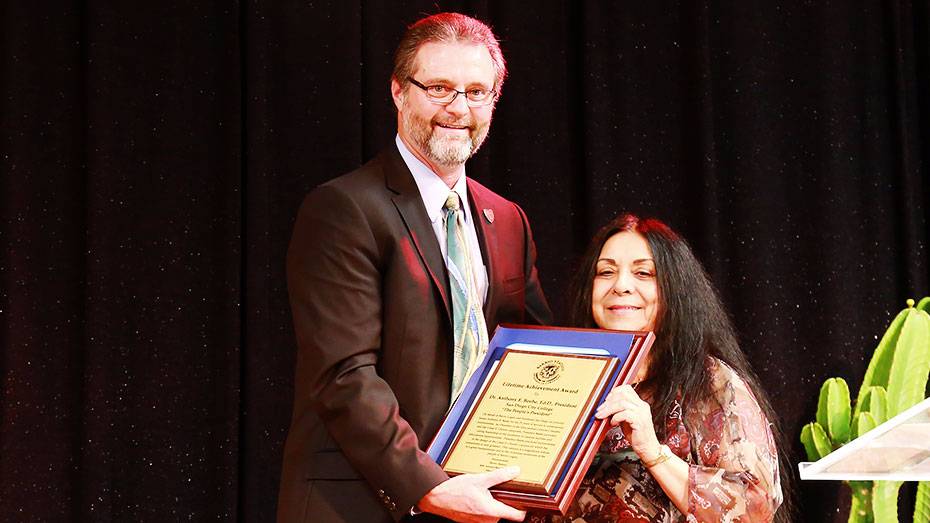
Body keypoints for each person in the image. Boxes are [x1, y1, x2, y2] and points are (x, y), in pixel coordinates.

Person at [277, 12, 552, 523]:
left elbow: (535, 357)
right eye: (440, 88)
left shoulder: (508, 219)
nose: (459, 108)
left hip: (481, 498)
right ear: (399, 91)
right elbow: (343, 375)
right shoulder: (345, 208)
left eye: (476, 92)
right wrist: (428, 487)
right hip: (366, 502)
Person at [528, 214, 788, 523]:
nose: (621, 285)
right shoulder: (560, 375)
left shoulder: (711, 382)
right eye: (606, 271)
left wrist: (652, 451)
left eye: (643, 273)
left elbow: (756, 507)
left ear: (673, 288)